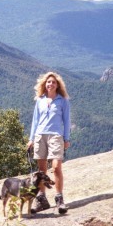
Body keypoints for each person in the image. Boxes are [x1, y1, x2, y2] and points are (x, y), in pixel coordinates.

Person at [26, 71, 71, 214]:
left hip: (56, 136)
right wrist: (31, 139)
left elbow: (67, 120)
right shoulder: (40, 100)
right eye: (48, 82)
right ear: (45, 84)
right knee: (42, 171)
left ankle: (59, 199)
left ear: (58, 85)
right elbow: (35, 120)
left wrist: (66, 138)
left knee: (56, 167)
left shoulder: (62, 100)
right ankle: (42, 200)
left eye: (53, 82)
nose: (50, 84)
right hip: (40, 136)